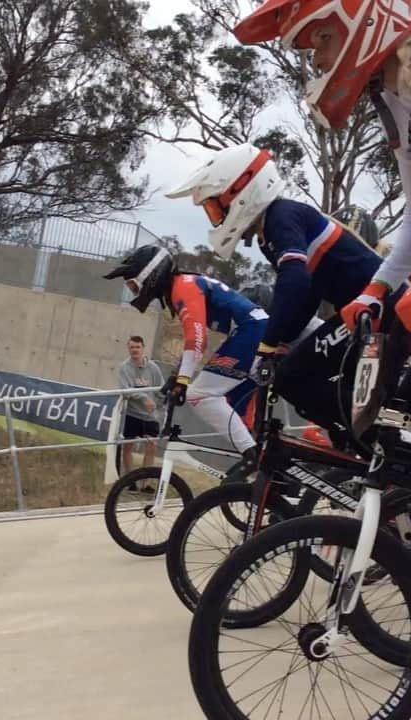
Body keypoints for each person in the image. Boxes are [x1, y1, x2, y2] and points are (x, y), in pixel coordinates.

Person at [165, 143, 401, 438]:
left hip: (379, 306)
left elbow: (297, 282)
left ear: (241, 192)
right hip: (366, 310)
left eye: (215, 208)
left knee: (291, 378)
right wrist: (279, 342)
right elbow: (308, 294)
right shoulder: (270, 234)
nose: (216, 219)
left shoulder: (280, 217)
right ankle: (364, 441)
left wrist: (269, 341)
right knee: (305, 373)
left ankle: (375, 439)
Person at [233, 0, 411, 335]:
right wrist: (376, 289)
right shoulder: (394, 102)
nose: (316, 60)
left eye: (324, 38)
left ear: (369, 23)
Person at [105, 245, 268, 474]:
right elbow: (194, 343)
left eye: (133, 285)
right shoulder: (183, 286)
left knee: (198, 396)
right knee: (237, 410)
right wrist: (176, 375)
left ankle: (253, 457)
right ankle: (270, 466)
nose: (133, 292)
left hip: (252, 332)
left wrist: (183, 382)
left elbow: (196, 340)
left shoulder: (183, 287)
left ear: (150, 275)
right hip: (253, 331)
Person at [116, 334, 164, 479]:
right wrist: (144, 398)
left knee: (151, 446)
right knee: (128, 446)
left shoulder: (153, 368)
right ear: (128, 349)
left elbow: (160, 389)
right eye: (132, 347)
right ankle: (129, 480)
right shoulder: (124, 368)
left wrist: (160, 405)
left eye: (137, 347)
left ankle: (145, 482)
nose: (135, 350)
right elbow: (125, 390)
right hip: (132, 414)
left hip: (150, 416)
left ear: (143, 348)